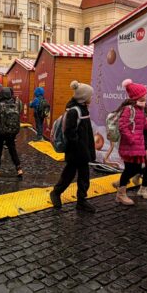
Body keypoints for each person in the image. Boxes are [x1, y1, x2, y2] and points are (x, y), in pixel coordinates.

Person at [49, 81, 97, 213]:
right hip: (76, 152)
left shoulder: (82, 108)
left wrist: (89, 150)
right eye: (90, 96)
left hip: (82, 152)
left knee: (84, 177)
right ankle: (56, 193)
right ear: (83, 97)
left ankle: (81, 201)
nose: (91, 98)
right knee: (68, 175)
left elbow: (86, 133)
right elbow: (70, 132)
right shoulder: (74, 111)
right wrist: (79, 148)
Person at [115, 79, 147, 206]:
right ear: (137, 96)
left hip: (137, 146)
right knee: (130, 170)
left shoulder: (140, 110)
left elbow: (145, 125)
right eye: (144, 96)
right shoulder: (129, 109)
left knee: (135, 168)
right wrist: (131, 138)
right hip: (130, 146)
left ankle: (121, 187)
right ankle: (121, 193)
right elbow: (122, 126)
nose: (145, 98)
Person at [0, 87, 23, 177]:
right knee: (12, 149)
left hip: (1, 131)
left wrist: (0, 120)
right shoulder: (15, 104)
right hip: (12, 131)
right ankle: (19, 168)